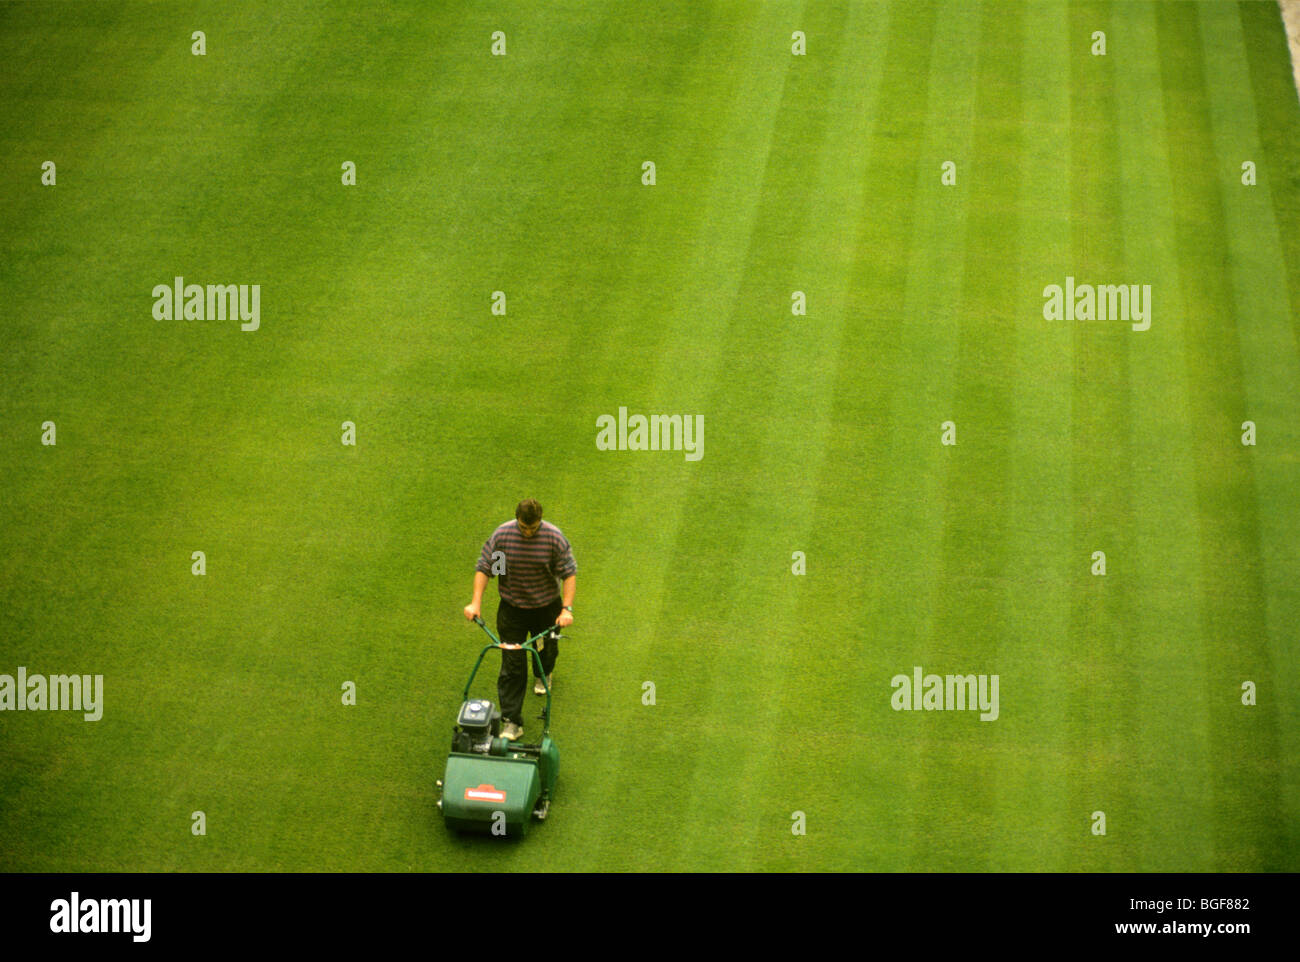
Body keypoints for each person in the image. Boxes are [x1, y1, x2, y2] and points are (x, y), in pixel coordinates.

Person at [463, 499, 576, 741]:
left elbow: (568, 573)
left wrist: (566, 609)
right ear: (517, 520)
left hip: (546, 608)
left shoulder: (553, 538)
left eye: (532, 528)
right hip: (512, 610)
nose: (527, 533)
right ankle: (512, 721)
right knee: (512, 665)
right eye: (524, 528)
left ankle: (543, 672)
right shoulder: (503, 537)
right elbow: (488, 569)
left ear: (540, 521)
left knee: (545, 651)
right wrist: (476, 603)